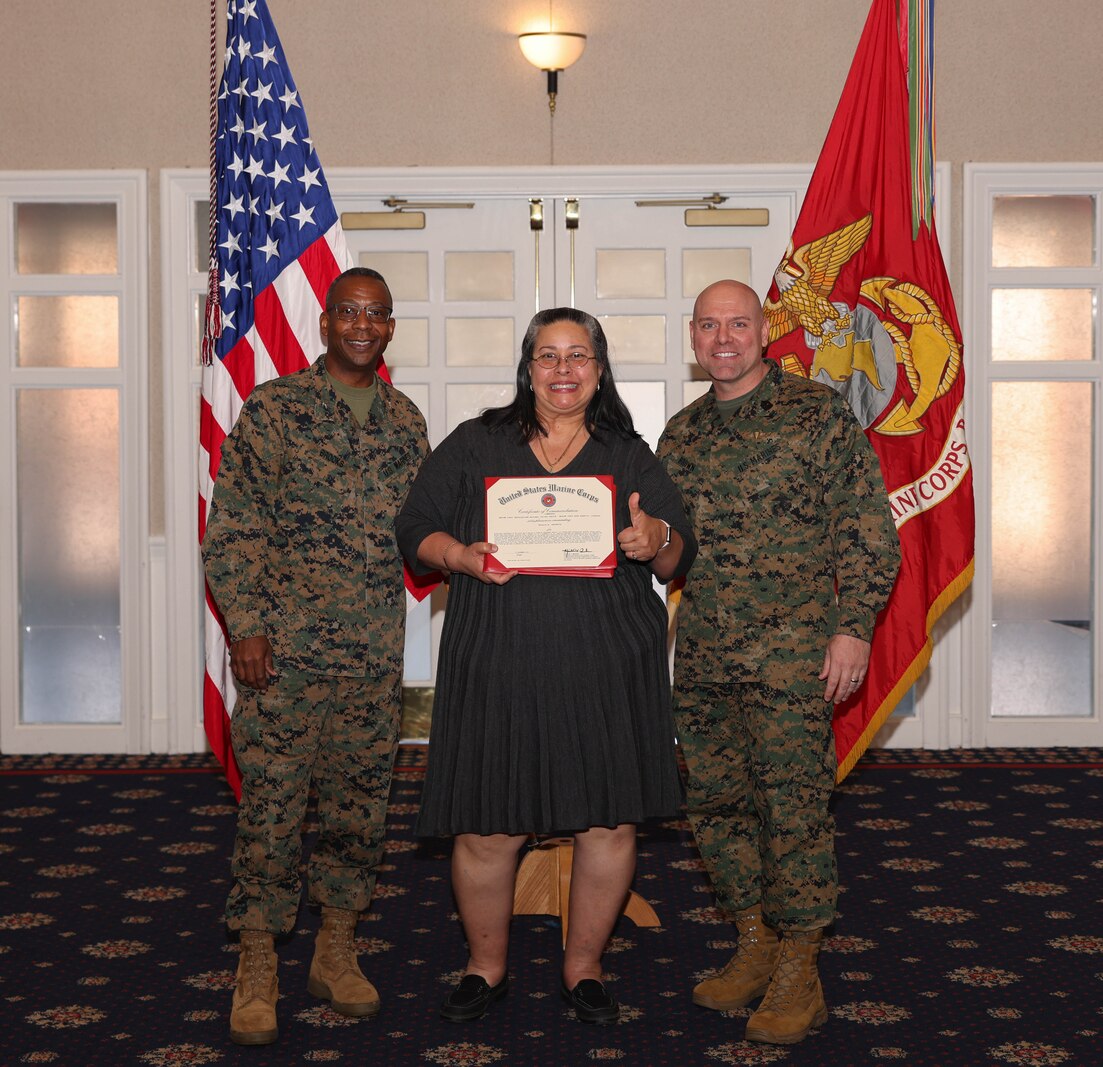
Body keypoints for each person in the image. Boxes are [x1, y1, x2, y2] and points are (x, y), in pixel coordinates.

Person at [396, 307, 697, 1025]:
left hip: (606, 664)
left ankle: (584, 967)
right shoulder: (475, 444)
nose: (563, 370)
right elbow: (414, 529)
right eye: (548, 356)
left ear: (598, 370)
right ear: (527, 367)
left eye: (579, 355)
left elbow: (677, 552)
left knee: (607, 824)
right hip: (496, 660)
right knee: (486, 824)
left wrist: (654, 537)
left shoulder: (628, 452)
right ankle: (485, 965)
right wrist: (460, 554)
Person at [657, 280, 900, 1046]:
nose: (722, 337)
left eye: (737, 323)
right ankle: (753, 937)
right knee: (718, 805)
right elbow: (668, 548)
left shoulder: (816, 414)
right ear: (692, 336)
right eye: (708, 325)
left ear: (764, 329)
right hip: (702, 654)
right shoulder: (681, 433)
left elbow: (867, 529)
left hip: (792, 655)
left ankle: (801, 963)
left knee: (792, 808)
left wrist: (852, 626)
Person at [202, 267, 428, 1046]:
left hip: (371, 657)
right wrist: (248, 627)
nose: (362, 325)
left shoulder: (405, 421)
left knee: (358, 809)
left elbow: (423, 527)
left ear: (390, 327)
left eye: (377, 314)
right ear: (325, 321)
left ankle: (335, 946)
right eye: (349, 312)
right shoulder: (276, 409)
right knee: (271, 810)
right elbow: (234, 527)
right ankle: (258, 959)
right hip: (286, 655)